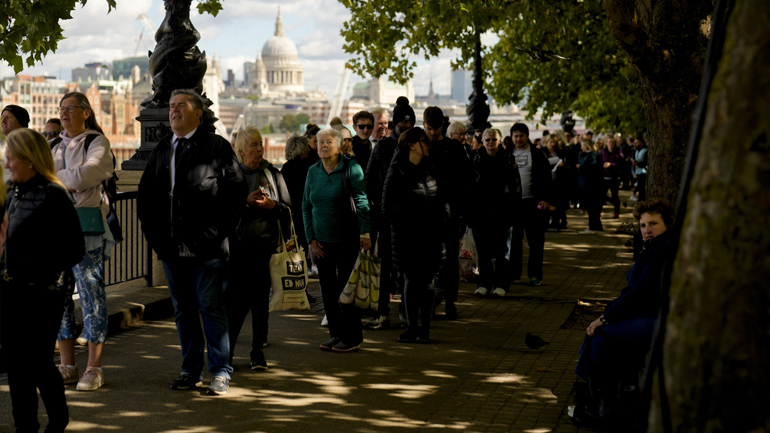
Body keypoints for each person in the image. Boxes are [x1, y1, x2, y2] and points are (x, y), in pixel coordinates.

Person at [137, 89, 246, 396]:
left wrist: (216, 235)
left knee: (211, 308)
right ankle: (190, 369)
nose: (173, 111)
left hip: (208, 249)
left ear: (198, 113)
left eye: (180, 106)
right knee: (184, 311)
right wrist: (156, 239)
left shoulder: (216, 147)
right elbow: (146, 197)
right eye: (171, 106)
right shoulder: (163, 147)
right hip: (172, 249)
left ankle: (221, 371)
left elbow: (236, 198)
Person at [2, 129, 85, 433]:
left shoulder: (54, 195)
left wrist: (37, 266)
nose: (7, 163)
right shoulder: (10, 192)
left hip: (43, 294)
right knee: (15, 365)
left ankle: (57, 419)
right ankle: (25, 426)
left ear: (29, 160)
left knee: (36, 363)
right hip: (10, 292)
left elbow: (74, 249)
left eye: (11, 156)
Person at [573, 198, 675, 427]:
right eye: (643, 225)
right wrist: (607, 315)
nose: (647, 230)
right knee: (596, 332)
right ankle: (595, 395)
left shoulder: (663, 250)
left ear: (667, 224)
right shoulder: (654, 247)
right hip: (649, 314)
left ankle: (603, 405)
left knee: (601, 336)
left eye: (653, 224)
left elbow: (642, 293)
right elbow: (633, 292)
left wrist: (605, 318)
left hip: (660, 320)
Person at [51, 91, 115, 391]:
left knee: (92, 298)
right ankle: (67, 365)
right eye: (61, 109)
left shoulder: (97, 142)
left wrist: (58, 178)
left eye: (70, 108)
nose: (64, 113)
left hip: (88, 232)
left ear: (86, 112)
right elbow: (45, 179)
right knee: (58, 299)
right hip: (57, 231)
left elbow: (90, 174)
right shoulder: (54, 145)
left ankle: (93, 367)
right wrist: (71, 180)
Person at [227, 127, 291, 371]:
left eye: (261, 144)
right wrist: (245, 202)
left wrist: (271, 205)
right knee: (236, 302)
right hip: (237, 248)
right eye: (254, 145)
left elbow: (288, 209)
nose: (260, 149)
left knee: (259, 303)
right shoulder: (231, 175)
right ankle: (228, 351)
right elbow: (221, 211)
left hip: (265, 248)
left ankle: (257, 351)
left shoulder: (273, 174)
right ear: (241, 150)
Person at [303, 128, 371, 351]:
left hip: (346, 239)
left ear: (340, 146)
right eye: (320, 142)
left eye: (328, 142)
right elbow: (306, 206)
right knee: (327, 290)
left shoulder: (351, 168)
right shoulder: (313, 171)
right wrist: (311, 239)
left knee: (345, 289)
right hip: (321, 242)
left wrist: (365, 233)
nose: (322, 146)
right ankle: (335, 333)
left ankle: (352, 338)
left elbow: (362, 202)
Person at [382, 127, 446, 342]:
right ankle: (411, 327)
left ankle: (424, 330)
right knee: (411, 280)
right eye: (423, 142)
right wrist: (405, 226)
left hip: (431, 236)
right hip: (408, 237)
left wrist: (441, 222)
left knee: (427, 281)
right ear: (412, 145)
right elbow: (387, 207)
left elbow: (439, 199)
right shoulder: (398, 170)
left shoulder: (430, 167)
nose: (427, 145)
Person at [364, 96, 415, 330]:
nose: (406, 130)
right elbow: (369, 179)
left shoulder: (417, 144)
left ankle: (405, 311)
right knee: (386, 268)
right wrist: (378, 205)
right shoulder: (384, 147)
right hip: (387, 217)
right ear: (395, 125)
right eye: (403, 126)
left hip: (408, 216)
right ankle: (383, 312)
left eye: (410, 126)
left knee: (408, 268)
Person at [422, 106, 473, 318]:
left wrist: (461, 212)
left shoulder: (452, 147)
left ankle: (450, 300)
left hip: (448, 211)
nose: (433, 133)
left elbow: (465, 180)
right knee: (429, 259)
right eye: (429, 128)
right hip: (427, 212)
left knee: (450, 259)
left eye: (436, 129)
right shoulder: (420, 145)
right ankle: (433, 300)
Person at [471, 128, 521, 297]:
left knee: (502, 251)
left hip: (503, 211)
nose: (491, 143)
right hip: (481, 212)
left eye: (494, 139)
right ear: (482, 142)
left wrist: (514, 209)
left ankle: (501, 284)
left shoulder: (508, 158)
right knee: (483, 251)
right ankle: (483, 283)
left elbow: (516, 186)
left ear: (500, 141)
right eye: (487, 140)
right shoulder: (476, 159)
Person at [508, 123, 552, 286]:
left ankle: (535, 275)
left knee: (535, 241)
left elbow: (547, 178)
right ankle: (513, 274)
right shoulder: (507, 154)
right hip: (514, 204)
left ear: (527, 136)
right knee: (514, 240)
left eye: (521, 136)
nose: (518, 139)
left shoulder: (538, 155)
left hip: (533, 202)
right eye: (515, 136)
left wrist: (545, 198)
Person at [281, 133, 311, 254]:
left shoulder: (285, 168)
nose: (308, 149)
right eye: (306, 147)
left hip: (291, 216)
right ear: (300, 149)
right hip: (303, 215)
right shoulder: (307, 168)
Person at [577, 139, 604, 233]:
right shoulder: (590, 155)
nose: (581, 147)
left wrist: (580, 168)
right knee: (591, 207)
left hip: (592, 187)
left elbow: (590, 170)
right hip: (588, 186)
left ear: (586, 146)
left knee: (593, 207)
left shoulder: (593, 155)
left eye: (582, 145)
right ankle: (595, 226)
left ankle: (593, 227)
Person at [544, 134, 568, 230]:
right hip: (547, 181)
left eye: (554, 142)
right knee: (547, 202)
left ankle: (556, 222)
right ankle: (545, 223)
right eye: (551, 142)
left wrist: (563, 164)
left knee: (557, 203)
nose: (552, 144)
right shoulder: (543, 152)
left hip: (558, 181)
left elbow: (565, 163)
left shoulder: (560, 152)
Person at [601, 136, 623, 218]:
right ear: (606, 143)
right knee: (602, 196)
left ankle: (616, 213)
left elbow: (621, 164)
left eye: (612, 142)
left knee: (615, 196)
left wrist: (611, 165)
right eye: (609, 142)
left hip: (614, 178)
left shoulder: (618, 152)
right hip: (604, 177)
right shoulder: (603, 152)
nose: (610, 144)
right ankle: (598, 213)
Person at [632, 136, 648, 202]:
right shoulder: (636, 151)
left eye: (637, 142)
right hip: (638, 172)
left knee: (642, 188)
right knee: (640, 188)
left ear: (641, 143)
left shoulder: (645, 151)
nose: (635, 144)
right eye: (635, 142)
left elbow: (646, 162)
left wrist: (637, 163)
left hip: (643, 172)